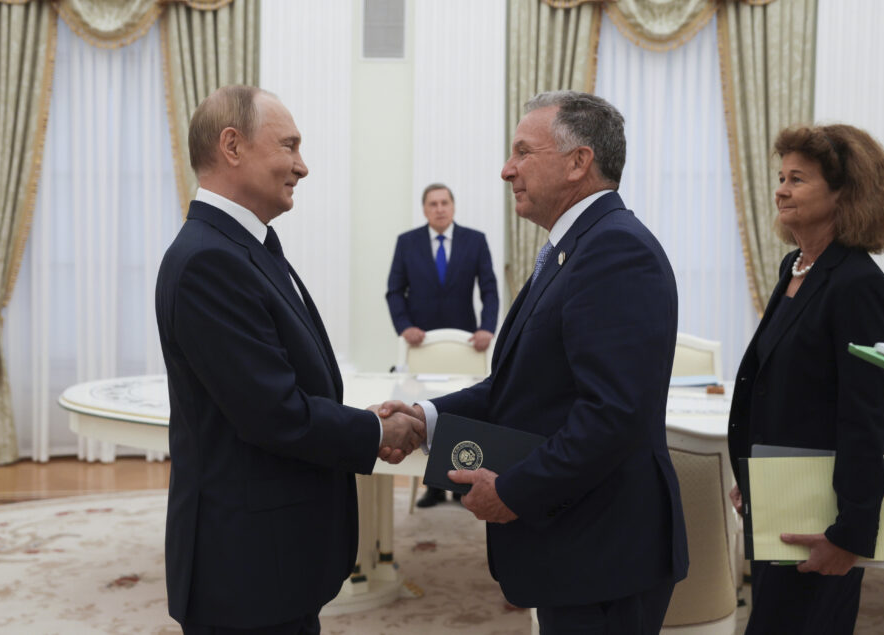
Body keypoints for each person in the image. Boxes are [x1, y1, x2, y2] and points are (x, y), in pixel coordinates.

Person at [380, 91, 688, 634]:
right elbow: (521, 386)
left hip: (605, 551)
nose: (506, 169)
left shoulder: (616, 252)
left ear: (578, 163)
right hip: (581, 544)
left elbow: (612, 415)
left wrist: (514, 491)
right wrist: (424, 418)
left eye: (523, 152)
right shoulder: (575, 249)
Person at [154, 85, 424, 634]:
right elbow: (272, 413)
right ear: (232, 146)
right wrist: (374, 434)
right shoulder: (210, 260)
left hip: (270, 561)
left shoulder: (244, 247)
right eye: (289, 146)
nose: (302, 166)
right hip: (245, 570)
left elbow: (284, 386)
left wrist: (363, 420)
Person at [727, 124, 884, 634]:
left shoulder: (859, 285)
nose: (781, 189)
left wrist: (851, 533)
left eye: (798, 179)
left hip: (822, 512)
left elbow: (863, 413)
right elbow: (776, 387)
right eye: (781, 177)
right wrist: (753, 474)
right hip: (780, 495)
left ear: (843, 195)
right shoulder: (796, 266)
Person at [386, 183, 499, 507]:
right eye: (433, 204)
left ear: (453, 206)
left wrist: (487, 328)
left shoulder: (474, 241)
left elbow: (489, 289)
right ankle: (433, 486)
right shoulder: (407, 243)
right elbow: (395, 291)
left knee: (461, 411)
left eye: (444, 202)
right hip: (422, 349)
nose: (439, 208)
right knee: (423, 411)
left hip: (465, 347)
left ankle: (462, 483)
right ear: (424, 209)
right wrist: (404, 327)